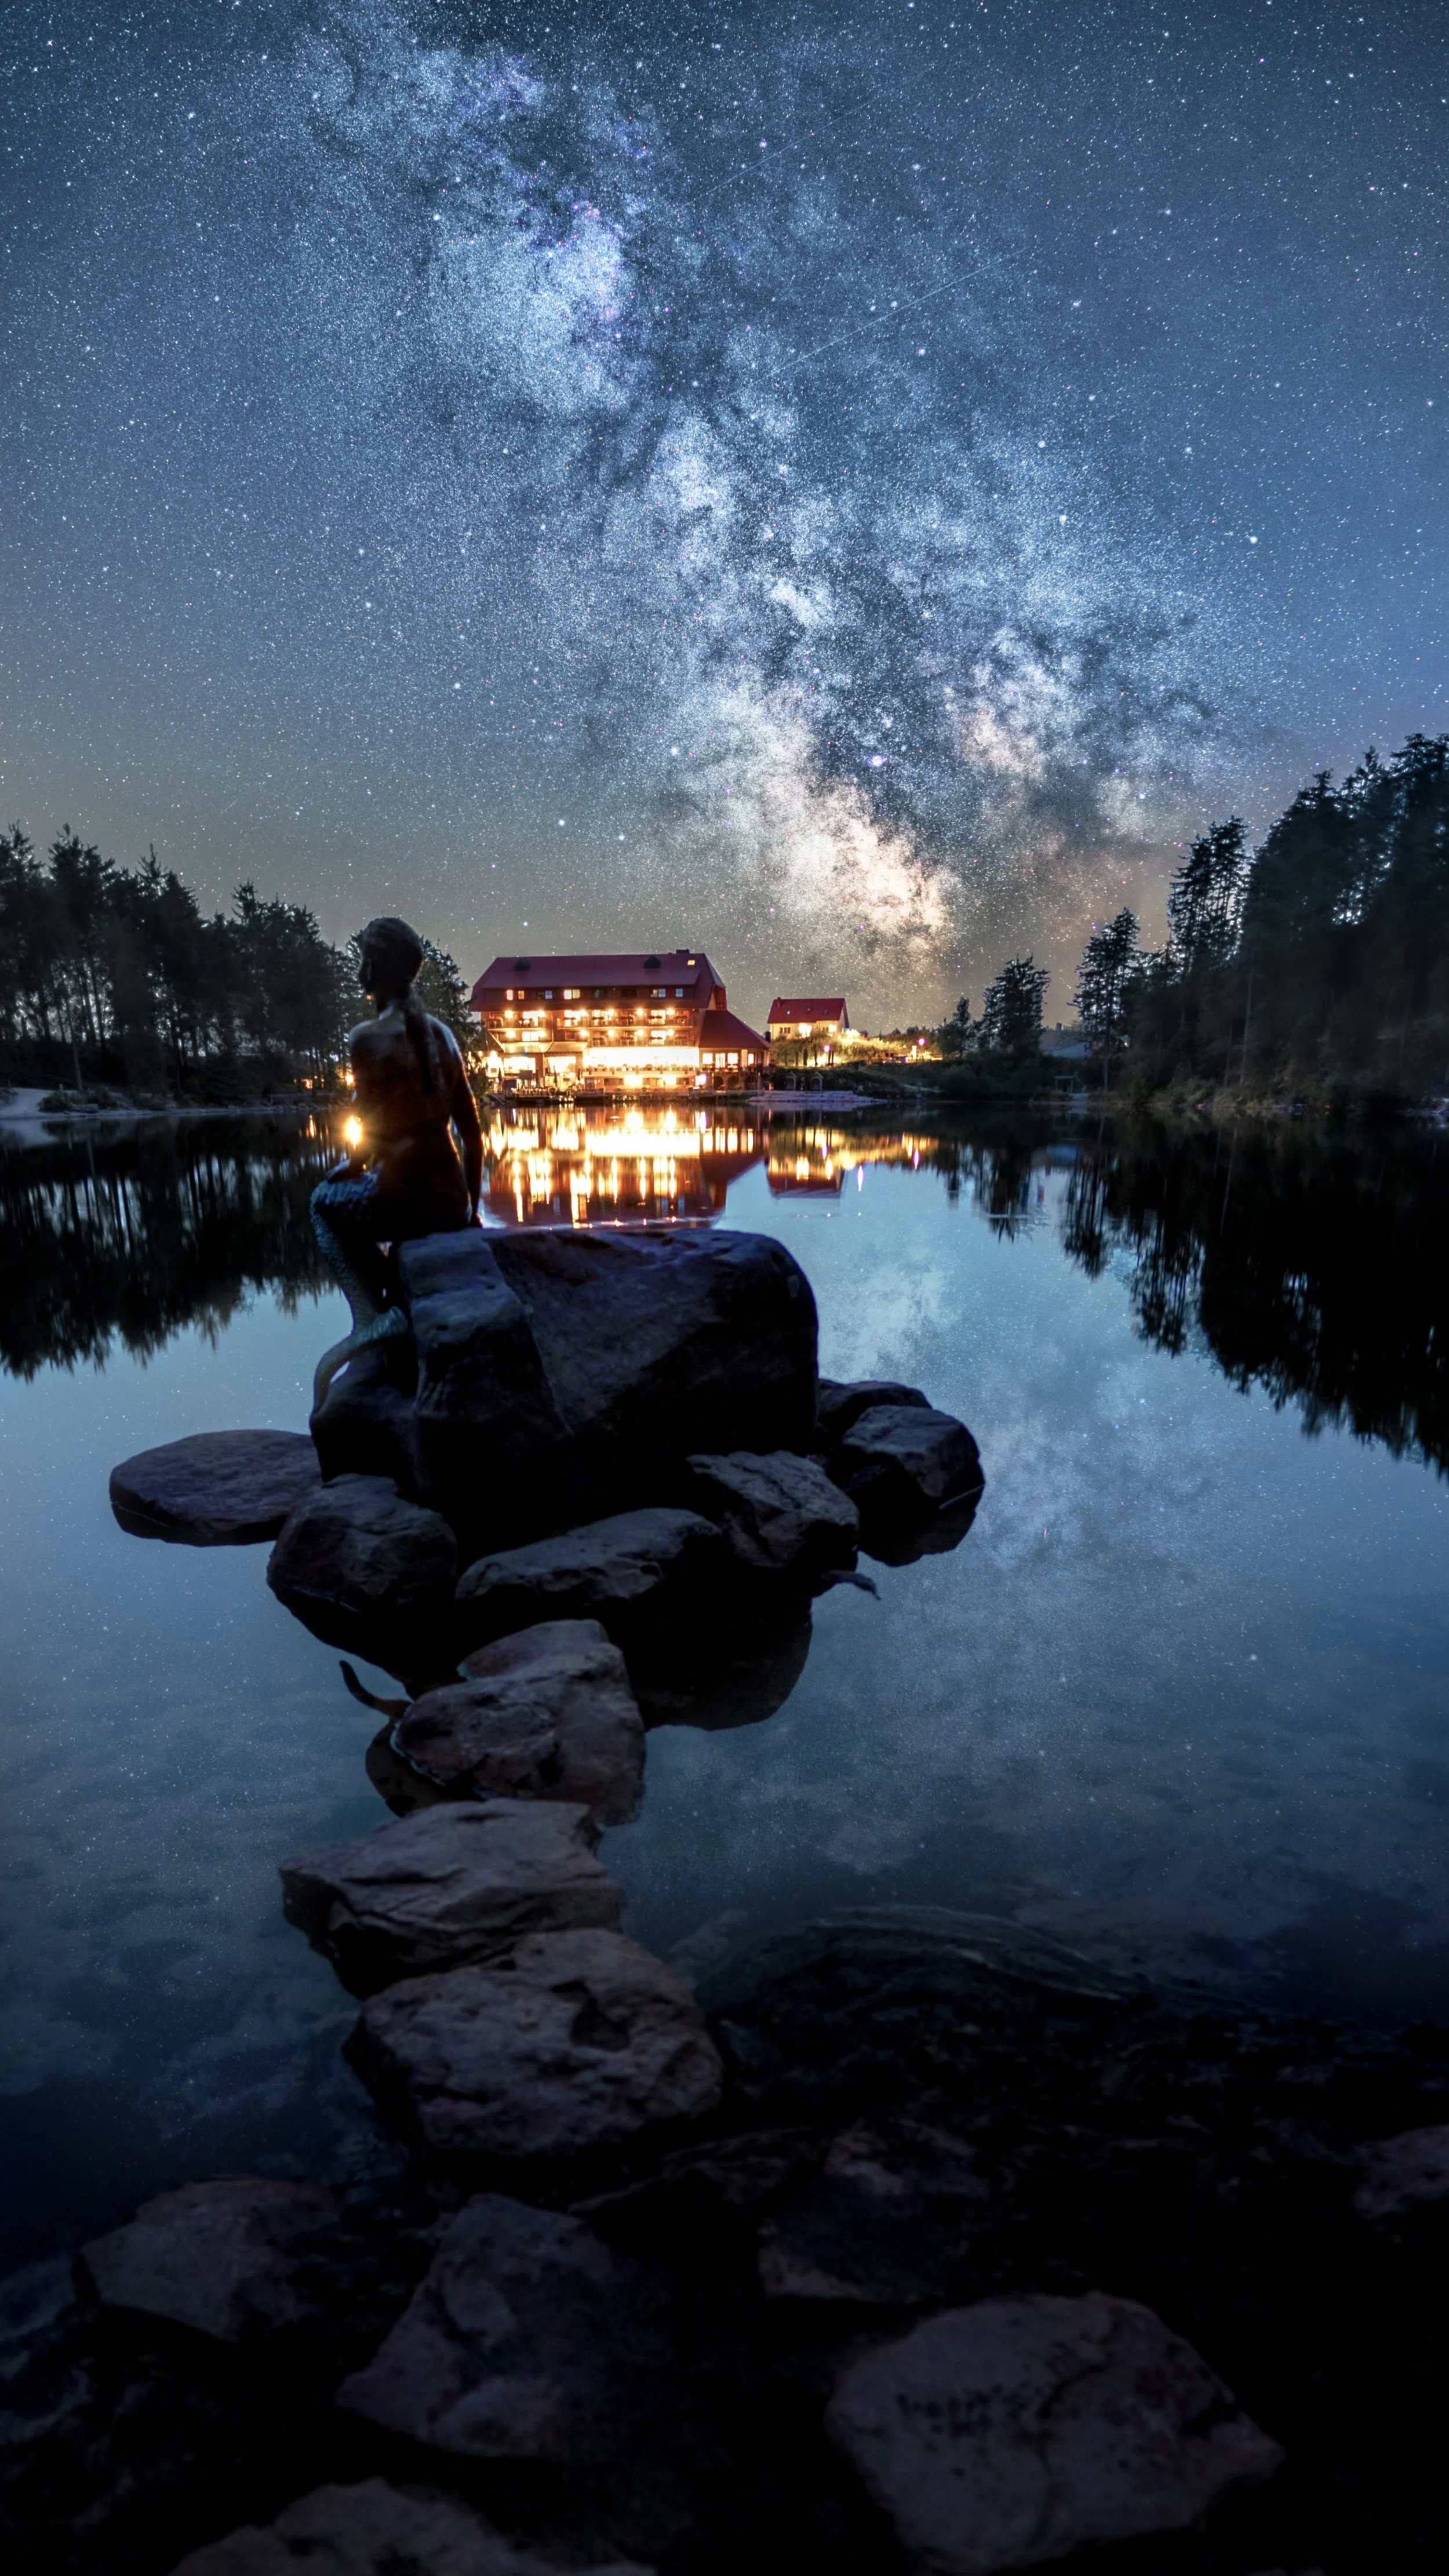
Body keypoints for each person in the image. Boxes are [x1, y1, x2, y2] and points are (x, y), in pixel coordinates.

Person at [311, 914, 483, 1407]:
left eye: (364, 956)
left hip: (404, 1200)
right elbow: (472, 1135)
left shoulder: (366, 1038)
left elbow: (368, 1134)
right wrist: (470, 1211)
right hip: (449, 1202)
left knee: (324, 1201)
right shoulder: (445, 1036)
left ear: (373, 967)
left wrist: (353, 1165)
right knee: (346, 1194)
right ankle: (392, 1307)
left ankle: (372, 1316)